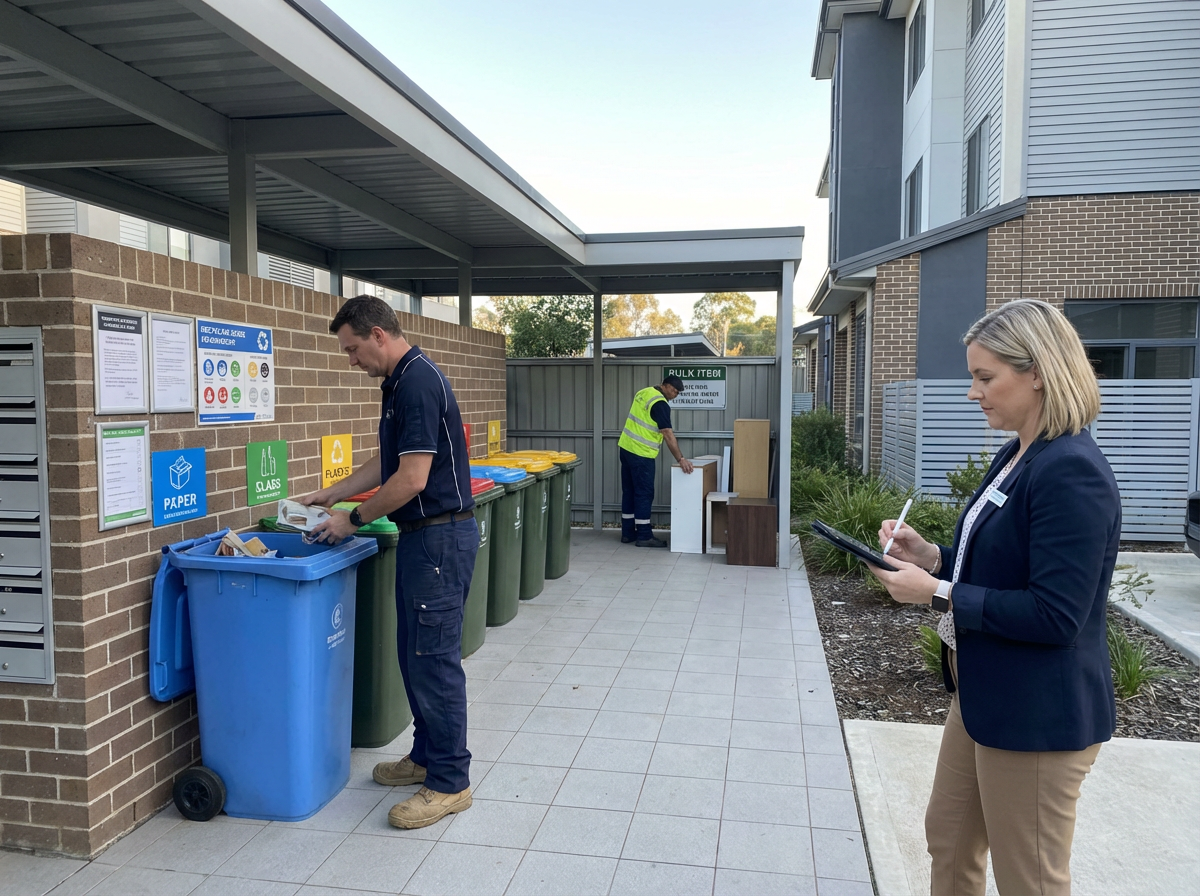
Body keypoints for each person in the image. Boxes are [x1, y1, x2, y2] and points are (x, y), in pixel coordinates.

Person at [866, 299, 1120, 896]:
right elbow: (1000, 567)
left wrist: (937, 593)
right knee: (949, 838)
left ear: (1039, 372)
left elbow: (1056, 615)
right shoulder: (1018, 454)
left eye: (986, 378)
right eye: (972, 377)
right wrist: (929, 557)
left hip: (1036, 716)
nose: (974, 392)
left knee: (1028, 877)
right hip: (984, 696)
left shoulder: (1070, 470)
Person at [301, 295, 479, 830]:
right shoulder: (399, 383)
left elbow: (412, 479)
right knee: (413, 653)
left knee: (434, 659)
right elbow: (388, 461)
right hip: (422, 540)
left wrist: (350, 520)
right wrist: (332, 494)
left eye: (353, 349)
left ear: (379, 334)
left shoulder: (418, 382)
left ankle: (450, 782)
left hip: (439, 541)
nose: (351, 360)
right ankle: (426, 755)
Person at [618, 375, 693, 546]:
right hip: (641, 454)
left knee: (629, 491)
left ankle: (628, 533)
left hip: (626, 448)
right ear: (665, 386)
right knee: (644, 493)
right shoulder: (660, 404)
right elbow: (667, 433)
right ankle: (644, 535)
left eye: (678, 393)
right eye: (674, 391)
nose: (675, 395)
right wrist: (680, 459)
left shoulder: (644, 392)